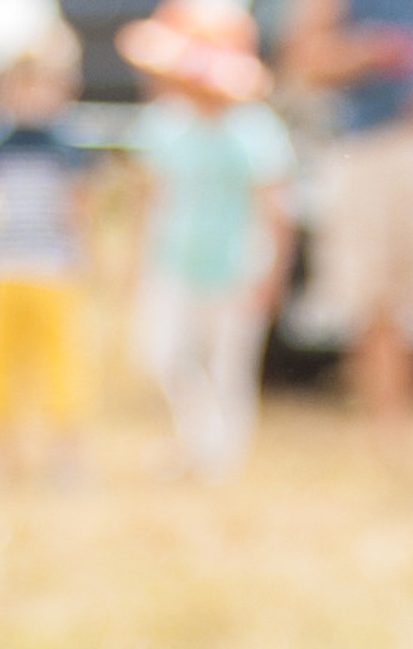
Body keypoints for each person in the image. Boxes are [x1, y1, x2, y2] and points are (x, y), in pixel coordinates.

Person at [286, 0, 413, 418]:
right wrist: (368, 52)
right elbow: (303, 61)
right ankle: (390, 440)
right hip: (366, 148)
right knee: (373, 302)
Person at [119, 0, 292, 482]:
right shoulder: (161, 125)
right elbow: (146, 202)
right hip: (174, 262)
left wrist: (271, 273)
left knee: (229, 367)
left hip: (237, 267)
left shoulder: (255, 130)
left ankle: (220, 460)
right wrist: (136, 266)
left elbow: (276, 211)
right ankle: (200, 439)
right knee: (163, 354)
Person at [0, 23, 95, 479]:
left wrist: (85, 249)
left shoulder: (67, 147)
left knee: (61, 366)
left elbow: (81, 205)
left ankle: (65, 454)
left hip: (51, 269)